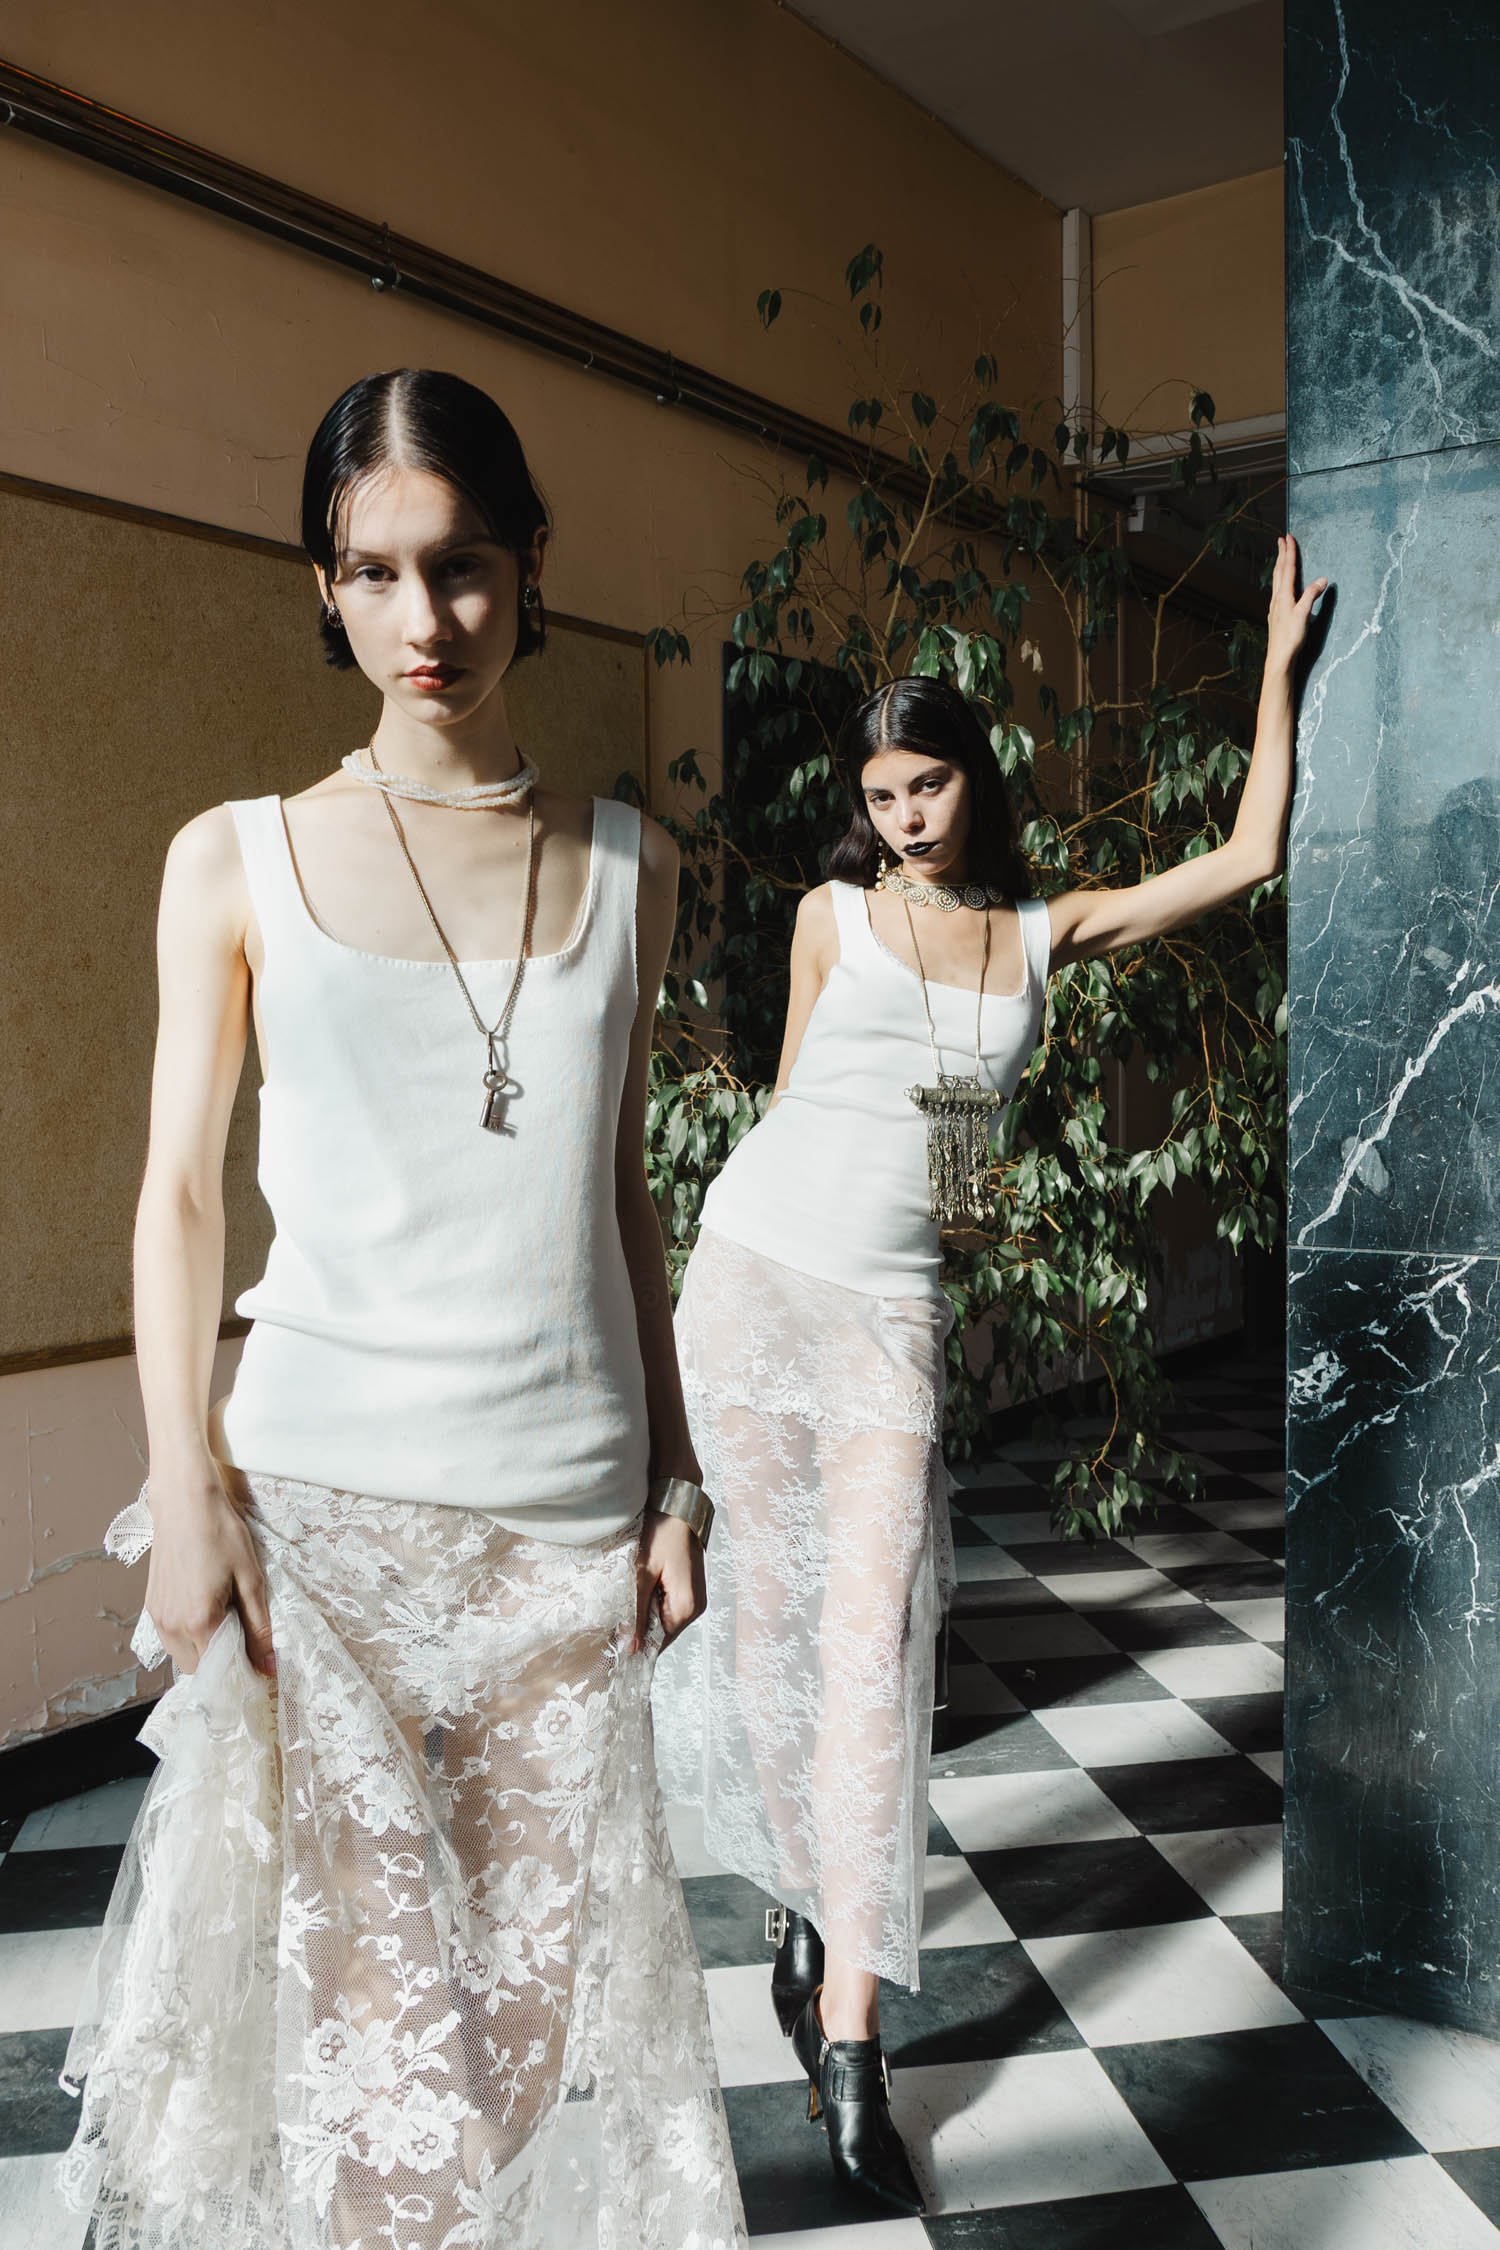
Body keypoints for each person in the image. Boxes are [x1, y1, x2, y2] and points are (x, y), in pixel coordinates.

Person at [56, 367, 746, 2250]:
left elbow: (616, 1196)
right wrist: (181, 1485)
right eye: (376, 572)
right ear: (326, 585)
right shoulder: (236, 856)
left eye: (463, 567)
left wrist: (675, 1482)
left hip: (563, 1517)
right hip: (324, 1522)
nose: (425, 620)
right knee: (370, 2044)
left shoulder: (633, 864)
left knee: (526, 2033)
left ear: (532, 570)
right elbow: (180, 1190)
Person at [653, 535, 1327, 2215]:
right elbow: (795, 1101)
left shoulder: (1043, 930)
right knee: (774, 1618)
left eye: (930, 784)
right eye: (881, 794)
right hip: (752, 1279)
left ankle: (854, 2042)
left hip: (885, 1317)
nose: (905, 818)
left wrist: (1272, 667)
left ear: (976, 777)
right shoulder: (830, 915)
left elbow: (1245, 855)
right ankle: (812, 1899)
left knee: (873, 1653)